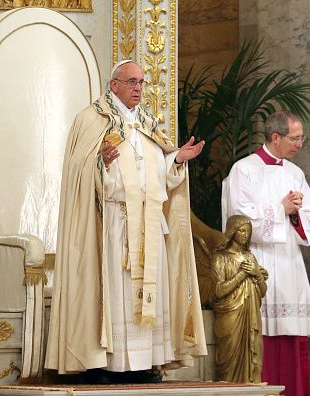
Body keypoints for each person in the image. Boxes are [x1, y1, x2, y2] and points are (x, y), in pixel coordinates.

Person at [45, 60, 207, 380]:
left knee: (148, 296)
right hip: (113, 224)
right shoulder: (92, 119)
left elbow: (158, 175)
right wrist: (101, 163)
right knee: (115, 295)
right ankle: (109, 364)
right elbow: (79, 172)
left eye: (142, 83)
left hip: (148, 223)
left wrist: (175, 159)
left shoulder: (146, 122)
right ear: (114, 84)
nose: (138, 88)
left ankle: (145, 364)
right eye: (131, 82)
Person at [221, 110, 310, 395]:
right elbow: (238, 221)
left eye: (302, 138)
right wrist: (281, 210)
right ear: (275, 136)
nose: (300, 144)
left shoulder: (295, 173)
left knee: (291, 338)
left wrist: (294, 214)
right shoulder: (244, 169)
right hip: (257, 264)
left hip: (290, 264)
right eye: (295, 138)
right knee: (260, 336)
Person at [211, 214, 267, 384]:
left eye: (248, 232)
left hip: (251, 316)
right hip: (230, 316)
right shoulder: (220, 258)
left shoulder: (250, 258)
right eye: (241, 230)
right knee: (228, 359)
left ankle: (252, 386)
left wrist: (257, 274)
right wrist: (243, 274)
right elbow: (219, 291)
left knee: (254, 352)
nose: (245, 235)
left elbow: (262, 292)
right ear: (232, 232)